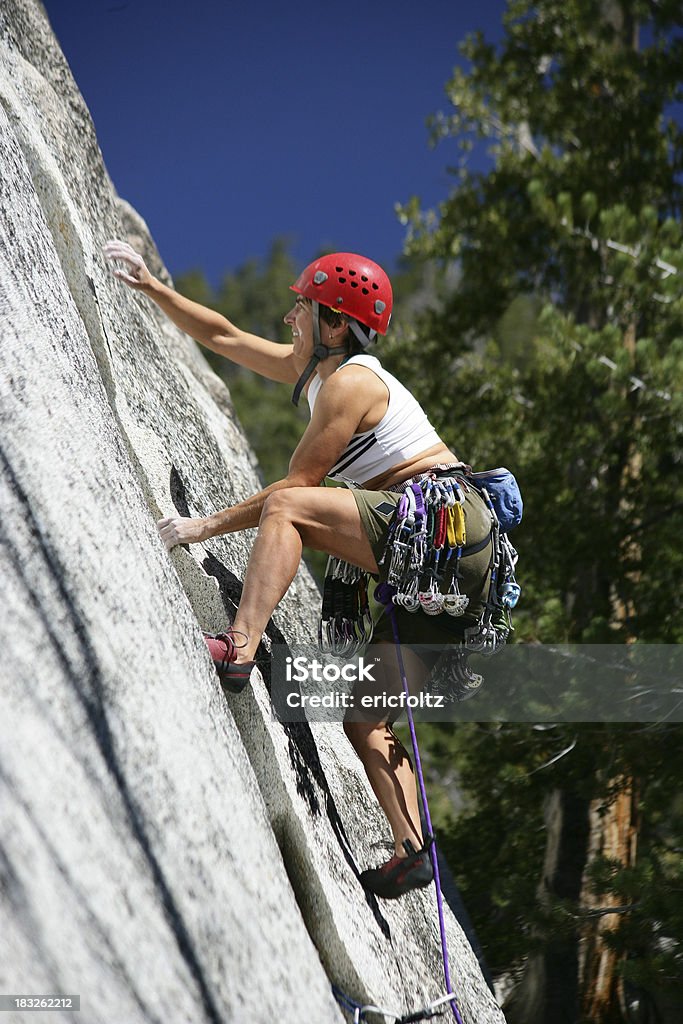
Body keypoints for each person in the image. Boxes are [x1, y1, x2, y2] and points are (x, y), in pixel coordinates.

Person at [104, 239, 493, 899]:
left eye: (304, 310)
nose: (290, 320)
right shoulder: (319, 372)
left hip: (436, 525)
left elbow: (296, 489)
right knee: (364, 720)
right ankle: (410, 850)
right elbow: (225, 336)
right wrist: (153, 289)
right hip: (458, 553)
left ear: (336, 325)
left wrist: (201, 526)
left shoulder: (350, 383)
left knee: (287, 502)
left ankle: (237, 647)